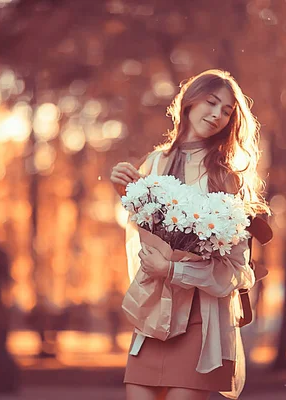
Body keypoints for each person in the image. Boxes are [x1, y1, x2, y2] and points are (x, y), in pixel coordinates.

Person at [110, 69, 270, 400]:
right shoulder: (155, 162)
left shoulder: (228, 179)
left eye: (227, 111)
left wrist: (173, 269)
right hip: (154, 315)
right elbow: (141, 231)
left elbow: (237, 271)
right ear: (189, 102)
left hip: (202, 323)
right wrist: (125, 193)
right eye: (211, 103)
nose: (217, 115)